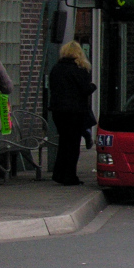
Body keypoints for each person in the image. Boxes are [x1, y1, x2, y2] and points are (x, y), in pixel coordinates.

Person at [48, 41, 96, 185]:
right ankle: (69, 176)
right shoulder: (79, 69)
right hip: (74, 112)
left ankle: (58, 173)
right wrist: (93, 86)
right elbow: (85, 89)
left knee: (63, 142)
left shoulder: (56, 69)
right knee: (73, 145)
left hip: (58, 111)